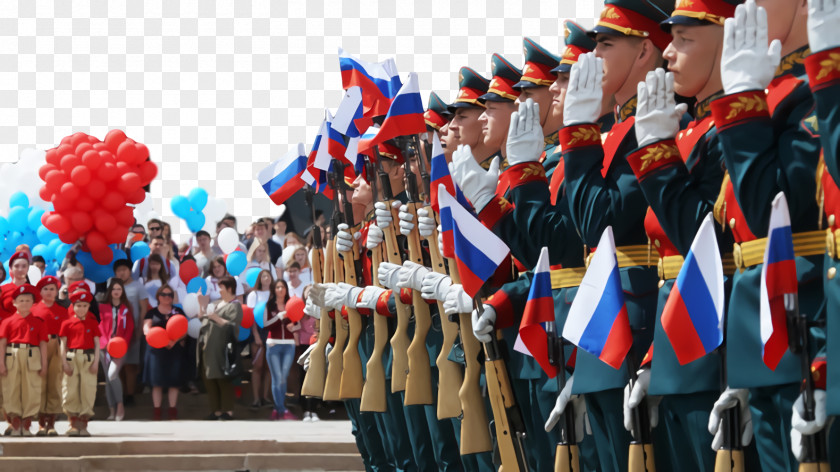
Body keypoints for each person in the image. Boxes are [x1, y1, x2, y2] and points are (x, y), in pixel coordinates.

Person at [0, 284, 47, 436]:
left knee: (31, 388)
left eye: (28, 300)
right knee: (11, 388)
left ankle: (26, 424)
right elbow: (2, 343)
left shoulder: (38, 322)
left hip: (32, 355)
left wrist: (44, 364)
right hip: (12, 355)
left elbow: (43, 344)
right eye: (21, 300)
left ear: (33, 303)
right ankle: (15, 423)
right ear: (14, 303)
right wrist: (1, 362)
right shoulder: (7, 321)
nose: (24, 303)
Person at [197, 276, 242, 421]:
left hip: (223, 348)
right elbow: (202, 319)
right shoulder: (216, 304)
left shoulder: (235, 305)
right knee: (210, 379)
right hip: (208, 347)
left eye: (221, 287)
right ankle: (215, 411)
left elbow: (232, 325)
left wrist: (215, 317)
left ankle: (227, 411)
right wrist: (201, 305)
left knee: (223, 379)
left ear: (229, 288)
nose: (219, 290)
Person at [142, 285, 188, 420]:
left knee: (174, 381)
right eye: (163, 294)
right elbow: (146, 329)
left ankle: (172, 411)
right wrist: (160, 339)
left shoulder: (178, 311)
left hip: (174, 349)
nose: (167, 297)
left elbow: (184, 330)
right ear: (158, 296)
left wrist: (174, 340)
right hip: (156, 351)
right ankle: (157, 411)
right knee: (157, 382)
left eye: (170, 295)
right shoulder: (152, 312)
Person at [59, 289, 99, 436]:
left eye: (84, 306)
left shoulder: (92, 323)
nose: (81, 309)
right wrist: (64, 362)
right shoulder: (67, 323)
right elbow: (63, 344)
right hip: (72, 357)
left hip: (88, 358)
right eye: (78, 305)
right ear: (73, 306)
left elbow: (97, 344)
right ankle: (73, 423)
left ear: (89, 307)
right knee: (70, 390)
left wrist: (96, 363)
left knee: (87, 390)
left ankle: (84, 423)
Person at [31, 276, 66, 436]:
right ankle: (40, 422)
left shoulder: (62, 311)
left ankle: (51, 422)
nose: (49, 292)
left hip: (56, 345)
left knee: (54, 383)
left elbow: (66, 334)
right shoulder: (34, 309)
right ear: (40, 291)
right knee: (39, 383)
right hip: (39, 346)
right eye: (46, 289)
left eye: (52, 289)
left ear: (57, 291)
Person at [113, 259, 148, 407]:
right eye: (119, 270)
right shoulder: (112, 285)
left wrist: (139, 330)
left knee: (131, 365)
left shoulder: (138, 287)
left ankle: (130, 395)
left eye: (124, 269)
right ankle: (120, 393)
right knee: (117, 364)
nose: (122, 272)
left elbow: (143, 309)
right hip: (115, 333)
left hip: (132, 331)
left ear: (129, 271)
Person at [99, 279, 134, 421]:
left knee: (113, 374)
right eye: (114, 289)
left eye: (119, 289)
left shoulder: (126, 308)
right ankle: (111, 410)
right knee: (108, 379)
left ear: (122, 291)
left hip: (120, 347)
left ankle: (120, 405)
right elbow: (99, 327)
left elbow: (129, 329)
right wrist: (105, 342)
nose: (116, 291)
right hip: (104, 347)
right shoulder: (102, 308)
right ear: (110, 291)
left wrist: (121, 343)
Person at [264, 279, 296, 420]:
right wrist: (278, 316)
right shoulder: (269, 305)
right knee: (277, 378)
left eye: (282, 286)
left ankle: (278, 410)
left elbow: (298, 324)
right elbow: (266, 325)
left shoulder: (291, 305)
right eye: (277, 287)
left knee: (283, 377)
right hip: (273, 344)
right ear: (274, 290)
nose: (280, 289)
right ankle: (282, 410)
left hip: (289, 343)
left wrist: (293, 327)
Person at [246, 269, 273, 409]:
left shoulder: (274, 294)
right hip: (258, 331)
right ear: (259, 279)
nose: (266, 278)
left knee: (269, 367)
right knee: (257, 366)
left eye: (268, 276)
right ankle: (256, 399)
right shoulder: (253, 294)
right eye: (263, 276)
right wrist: (256, 335)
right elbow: (251, 317)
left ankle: (265, 397)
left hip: (271, 331)